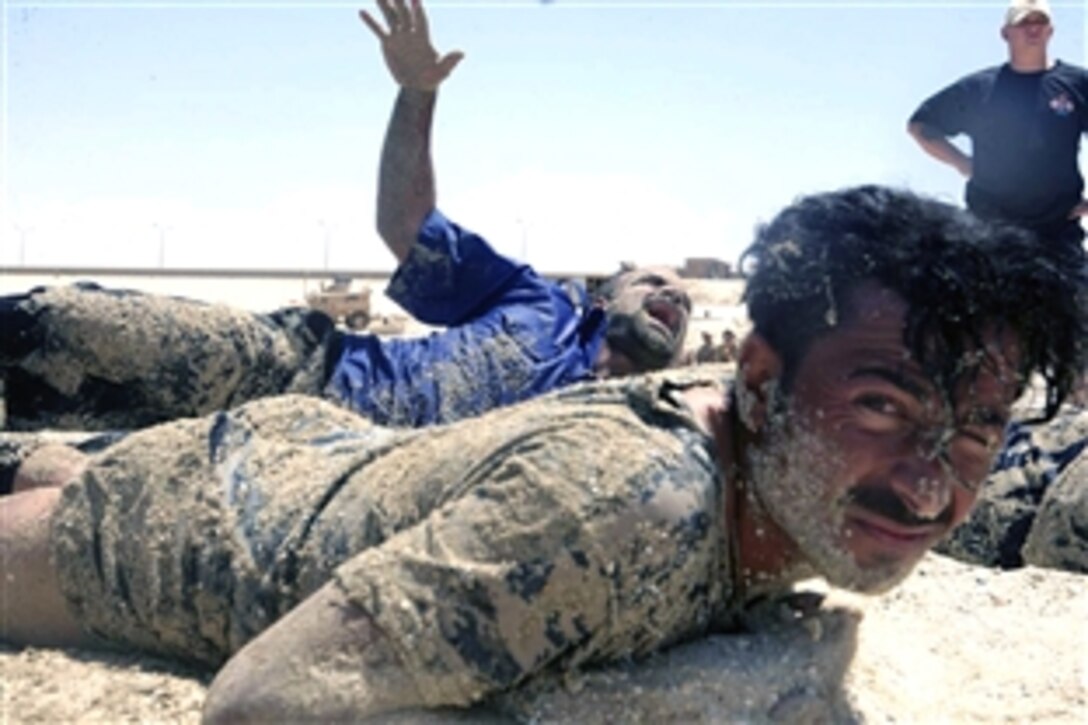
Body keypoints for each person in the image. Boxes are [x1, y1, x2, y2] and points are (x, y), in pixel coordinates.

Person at [1, 182, 1082, 722]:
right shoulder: (624, 510)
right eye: (884, 405)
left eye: (977, 427)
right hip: (187, 516)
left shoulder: (762, 458)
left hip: (327, 451)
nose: (935, 482)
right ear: (757, 379)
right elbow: (263, 701)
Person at [0, 0, 690, 435]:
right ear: (608, 291)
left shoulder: (647, 425)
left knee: (82, 460)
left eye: (684, 299)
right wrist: (418, 96)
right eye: (657, 279)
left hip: (326, 472)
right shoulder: (538, 300)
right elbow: (405, 222)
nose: (675, 295)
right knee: (64, 327)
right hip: (308, 374)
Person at [907, 0, 1088, 263]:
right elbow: (920, 126)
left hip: (1057, 232)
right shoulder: (979, 89)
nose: (1033, 29)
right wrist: (963, 163)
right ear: (1005, 33)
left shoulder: (1078, 84)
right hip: (988, 231)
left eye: (1040, 22)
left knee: (1075, 303)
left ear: (1051, 31)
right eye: (1024, 22)